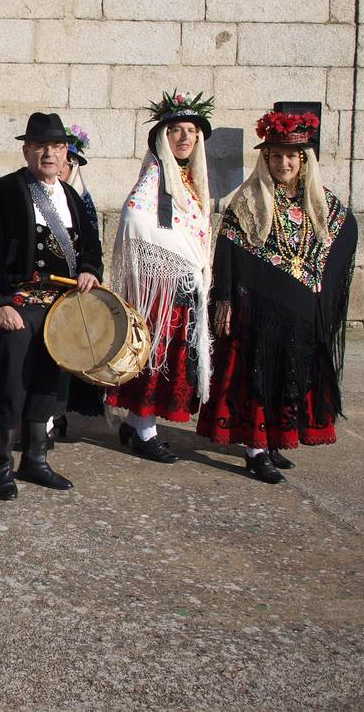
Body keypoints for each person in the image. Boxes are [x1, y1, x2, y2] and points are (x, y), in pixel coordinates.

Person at [198, 109, 357, 484]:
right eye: (276, 156)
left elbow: (345, 232)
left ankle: (273, 441)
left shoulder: (321, 203)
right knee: (257, 379)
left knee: (291, 377)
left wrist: (324, 288)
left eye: (291, 156)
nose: (283, 163)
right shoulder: (247, 202)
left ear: (303, 160)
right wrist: (226, 299)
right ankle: (255, 450)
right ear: (265, 159)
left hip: (301, 310)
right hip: (259, 314)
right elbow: (227, 252)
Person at [0, 112, 103, 498]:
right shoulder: (2, 193)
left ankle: (36, 461)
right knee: (13, 384)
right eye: (41, 146)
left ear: (66, 153)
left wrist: (91, 270)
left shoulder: (72, 197)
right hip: (19, 305)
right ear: (27, 150)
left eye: (57, 147)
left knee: (48, 383)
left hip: (60, 309)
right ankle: (0, 463)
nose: (49, 154)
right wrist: (0, 303)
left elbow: (90, 245)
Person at [106, 91, 215, 464]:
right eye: (177, 131)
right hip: (162, 284)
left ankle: (137, 422)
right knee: (155, 357)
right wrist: (178, 257)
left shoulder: (188, 179)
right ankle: (144, 431)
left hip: (184, 284)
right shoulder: (156, 175)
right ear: (162, 138)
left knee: (171, 357)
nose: (185, 138)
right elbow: (134, 217)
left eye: (191, 132)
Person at [55, 123, 105, 432]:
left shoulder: (81, 199)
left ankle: (60, 411)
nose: (61, 168)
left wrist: (89, 270)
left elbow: (92, 242)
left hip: (76, 284)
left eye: (67, 163)